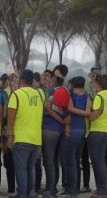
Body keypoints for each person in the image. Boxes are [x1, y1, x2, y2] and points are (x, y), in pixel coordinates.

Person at [8, 69, 45, 198]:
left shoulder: (16, 95)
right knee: (31, 168)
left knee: (21, 169)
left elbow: (10, 120)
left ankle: (22, 194)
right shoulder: (39, 95)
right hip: (37, 139)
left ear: (21, 79)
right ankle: (30, 193)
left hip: (21, 139)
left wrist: (10, 137)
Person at [85, 73, 107, 198]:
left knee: (98, 162)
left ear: (98, 84)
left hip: (98, 131)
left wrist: (88, 109)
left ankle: (102, 191)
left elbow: (94, 116)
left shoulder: (99, 96)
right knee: (103, 161)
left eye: (95, 83)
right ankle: (105, 189)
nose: (94, 85)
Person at [42, 66, 69, 198]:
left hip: (49, 129)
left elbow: (47, 108)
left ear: (54, 78)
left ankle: (50, 189)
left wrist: (61, 121)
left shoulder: (53, 91)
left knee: (49, 161)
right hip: (60, 131)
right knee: (54, 161)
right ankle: (53, 188)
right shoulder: (66, 91)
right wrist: (64, 123)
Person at [62, 76, 90, 197]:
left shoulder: (71, 94)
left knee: (70, 161)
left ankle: (72, 190)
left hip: (72, 129)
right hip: (82, 129)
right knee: (76, 160)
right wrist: (84, 113)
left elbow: (69, 108)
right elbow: (88, 112)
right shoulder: (87, 96)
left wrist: (74, 110)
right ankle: (76, 188)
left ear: (73, 84)